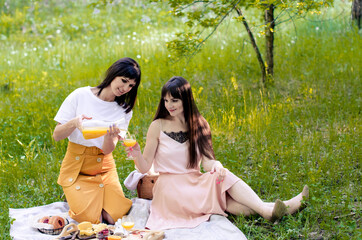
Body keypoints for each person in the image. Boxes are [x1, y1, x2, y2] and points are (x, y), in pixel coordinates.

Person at [127, 76, 309, 230]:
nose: (169, 105)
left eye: (174, 100)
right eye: (166, 100)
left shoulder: (199, 124)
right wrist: (136, 154)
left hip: (194, 181)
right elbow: (144, 166)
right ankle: (275, 208)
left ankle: (270, 211)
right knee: (224, 199)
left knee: (222, 179)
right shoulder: (157, 126)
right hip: (170, 188)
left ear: (186, 100)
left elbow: (207, 162)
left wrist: (217, 166)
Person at [52, 57, 141, 224]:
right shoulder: (80, 95)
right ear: (113, 74)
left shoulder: (124, 111)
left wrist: (109, 137)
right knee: (93, 220)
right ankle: (74, 192)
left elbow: (108, 150)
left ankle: (87, 197)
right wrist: (75, 123)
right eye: (123, 81)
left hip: (104, 168)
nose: (125, 88)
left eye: (131, 85)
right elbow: (57, 135)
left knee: (114, 218)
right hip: (77, 167)